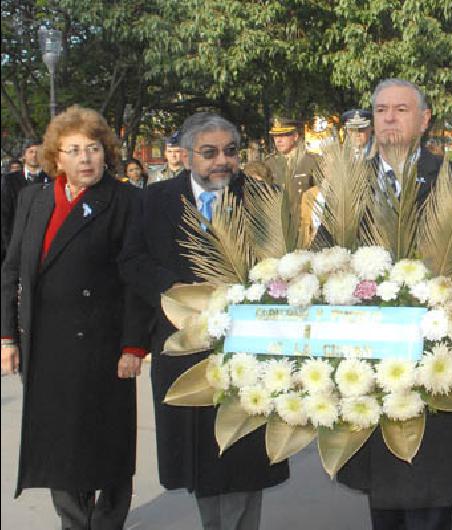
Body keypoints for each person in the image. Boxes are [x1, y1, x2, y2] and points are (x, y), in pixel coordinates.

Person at [120, 112, 289, 530]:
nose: (222, 162)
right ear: (188, 155)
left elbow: (288, 263)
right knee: (203, 464)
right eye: (209, 152)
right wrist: (182, 295)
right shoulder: (155, 200)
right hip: (184, 349)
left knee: (245, 459)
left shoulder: (263, 197)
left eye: (230, 151)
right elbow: (131, 261)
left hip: (250, 351)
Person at [336, 79, 452, 530]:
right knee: (383, 492)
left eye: (401, 109)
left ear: (423, 120)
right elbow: (324, 255)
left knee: (429, 488)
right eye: (382, 110)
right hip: (368, 359)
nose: (390, 119)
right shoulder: (348, 183)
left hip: (436, 357)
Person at [0, 105, 149, 529]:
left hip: (104, 344)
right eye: (74, 150)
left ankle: (107, 520)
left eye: (94, 148)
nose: (86, 158)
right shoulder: (34, 198)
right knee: (57, 441)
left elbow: (136, 281)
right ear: (56, 157)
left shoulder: (124, 201)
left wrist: (134, 344)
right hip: (46, 344)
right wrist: (7, 337)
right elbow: (11, 270)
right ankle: (73, 520)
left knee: (108, 443)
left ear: (107, 153)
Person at [1, 139, 51, 262]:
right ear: (24, 155)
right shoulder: (10, 180)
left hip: (43, 243)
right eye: (31, 151)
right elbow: (5, 214)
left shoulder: (51, 180)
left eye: (38, 151)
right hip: (15, 240)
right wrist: (9, 247)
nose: (34, 155)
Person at [265, 118, 320, 203]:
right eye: (275, 136)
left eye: (283, 135)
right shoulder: (269, 163)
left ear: (295, 136)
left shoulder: (311, 162)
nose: (278, 141)